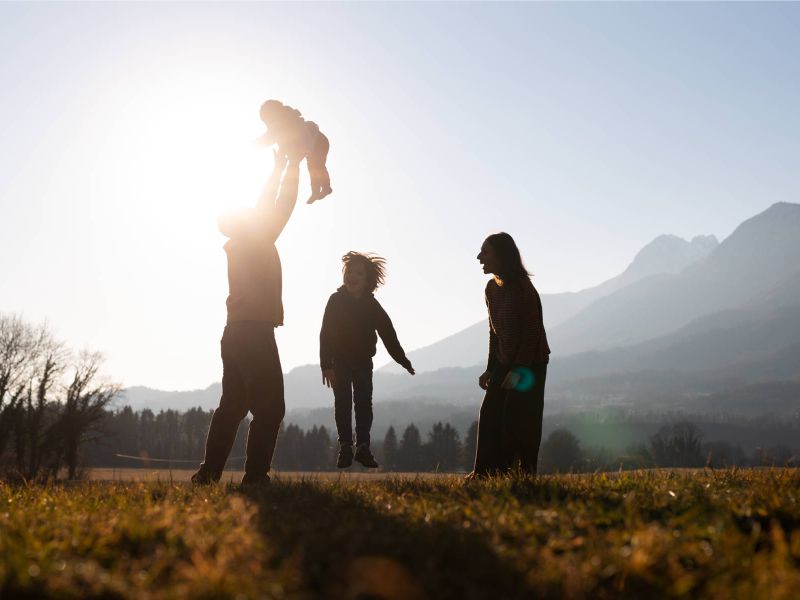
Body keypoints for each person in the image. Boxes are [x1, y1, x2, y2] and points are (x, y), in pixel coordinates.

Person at [192, 149, 302, 487]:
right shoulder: (257, 239)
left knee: (233, 405)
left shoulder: (242, 241)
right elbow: (281, 203)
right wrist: (293, 165)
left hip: (235, 332)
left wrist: (278, 164)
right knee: (270, 408)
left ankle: (207, 475)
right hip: (254, 333)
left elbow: (265, 201)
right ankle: (255, 478)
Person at [319, 252, 415, 469]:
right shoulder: (335, 301)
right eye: (349, 272)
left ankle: (362, 447)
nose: (352, 276)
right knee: (342, 402)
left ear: (367, 280)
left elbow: (388, 333)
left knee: (363, 404)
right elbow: (326, 334)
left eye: (358, 273)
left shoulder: (372, 305)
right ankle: (345, 446)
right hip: (339, 362)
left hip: (363, 363)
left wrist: (402, 360)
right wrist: (326, 365)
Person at [469, 232, 550, 477]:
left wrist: (519, 371)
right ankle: (483, 473)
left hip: (530, 364)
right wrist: (491, 368)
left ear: (502, 256)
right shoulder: (492, 289)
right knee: (490, 412)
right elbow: (495, 332)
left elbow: (531, 333)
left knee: (519, 418)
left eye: (485, 252)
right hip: (504, 361)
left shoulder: (523, 288)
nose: (479, 257)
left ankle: (519, 475)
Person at [257, 99, 332, 204]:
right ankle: (319, 190)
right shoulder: (283, 124)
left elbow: (269, 138)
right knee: (314, 166)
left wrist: (253, 145)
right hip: (312, 143)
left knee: (315, 166)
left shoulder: (287, 120)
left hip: (319, 142)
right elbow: (275, 140)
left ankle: (324, 188)